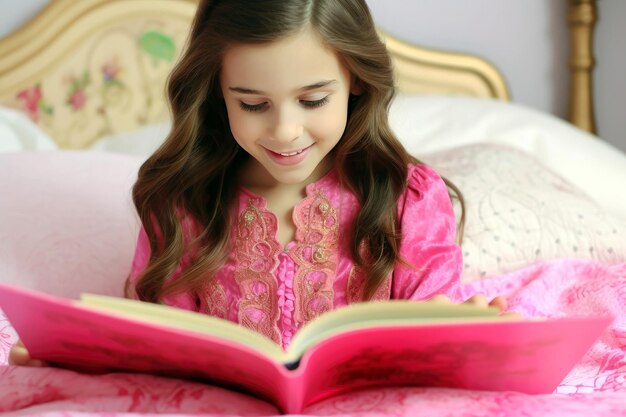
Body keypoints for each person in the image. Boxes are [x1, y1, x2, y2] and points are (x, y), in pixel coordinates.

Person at [9, 0, 506, 366]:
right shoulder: (186, 206)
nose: (285, 131)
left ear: (355, 78)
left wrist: (458, 323)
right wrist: (81, 352)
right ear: (217, 92)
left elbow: (432, 319)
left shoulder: (407, 197)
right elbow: (158, 343)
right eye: (252, 104)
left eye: (313, 101)